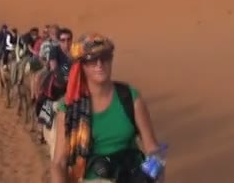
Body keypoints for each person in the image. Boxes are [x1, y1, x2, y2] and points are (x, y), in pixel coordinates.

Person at [51, 32, 164, 183]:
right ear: (82, 66)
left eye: (104, 57)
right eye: (92, 60)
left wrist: (155, 174)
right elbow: (59, 163)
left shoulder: (130, 98)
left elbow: (153, 149)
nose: (99, 64)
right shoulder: (70, 109)